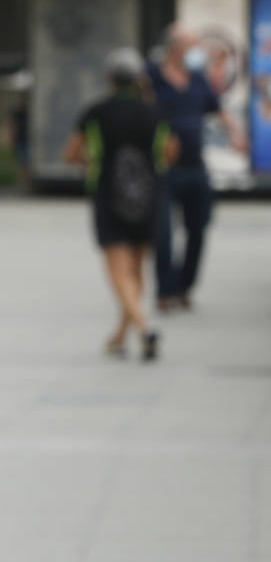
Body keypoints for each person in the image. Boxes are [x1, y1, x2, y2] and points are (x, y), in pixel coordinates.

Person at [62, 48, 176, 360]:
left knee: (118, 268)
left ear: (109, 79)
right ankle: (122, 335)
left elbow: (71, 153)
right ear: (140, 78)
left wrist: (92, 161)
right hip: (149, 196)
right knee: (137, 268)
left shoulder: (96, 112)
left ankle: (144, 326)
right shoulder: (155, 112)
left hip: (107, 194)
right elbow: (169, 152)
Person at [147, 23, 247, 311]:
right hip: (163, 167)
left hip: (195, 164)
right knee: (163, 233)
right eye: (193, 46)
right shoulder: (153, 76)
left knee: (198, 229)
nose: (198, 52)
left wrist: (236, 134)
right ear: (176, 48)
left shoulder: (197, 79)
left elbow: (217, 108)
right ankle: (164, 291)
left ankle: (184, 287)